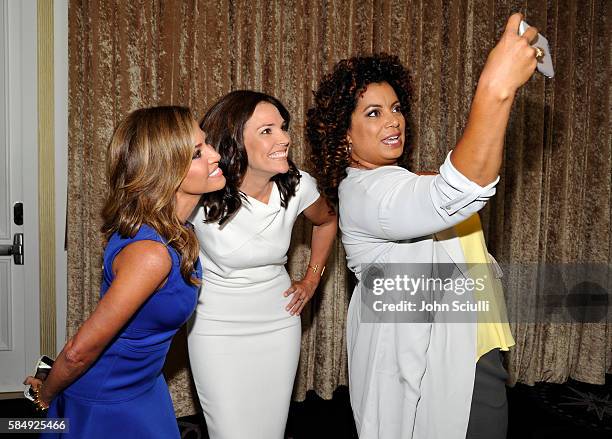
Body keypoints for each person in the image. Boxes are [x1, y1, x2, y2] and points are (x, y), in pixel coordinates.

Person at [305, 13, 535, 439]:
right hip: (442, 361)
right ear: (345, 137)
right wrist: (495, 88)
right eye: (373, 112)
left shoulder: (399, 183)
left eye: (396, 108)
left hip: (475, 342)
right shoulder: (370, 193)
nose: (393, 120)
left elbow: (449, 189)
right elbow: (460, 191)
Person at [24, 106, 226, 438]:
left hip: (144, 384)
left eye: (206, 144)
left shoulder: (174, 230)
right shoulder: (152, 253)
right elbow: (80, 350)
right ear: (165, 171)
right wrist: (45, 397)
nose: (215, 156)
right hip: (111, 399)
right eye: (197, 153)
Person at [187, 90, 337, 439]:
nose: (284, 138)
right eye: (267, 130)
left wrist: (312, 279)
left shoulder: (298, 187)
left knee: (270, 430)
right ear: (234, 140)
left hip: (278, 323)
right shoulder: (200, 191)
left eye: (283, 128)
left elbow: (328, 220)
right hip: (216, 328)